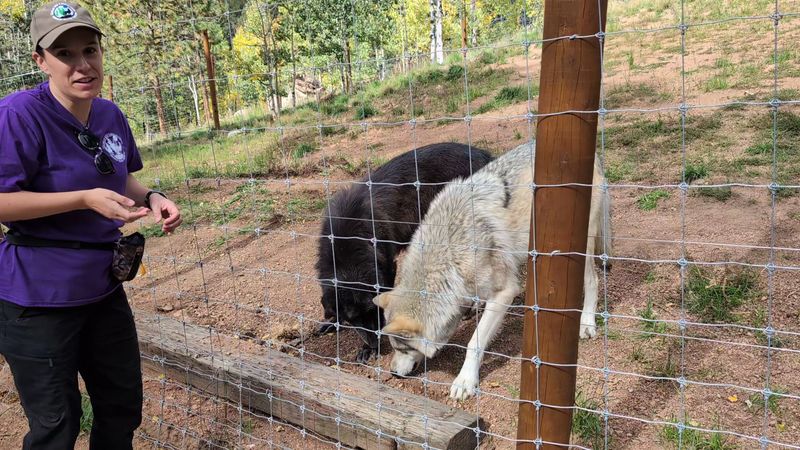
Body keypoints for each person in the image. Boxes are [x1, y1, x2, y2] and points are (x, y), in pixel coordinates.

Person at [0, 2, 181, 448]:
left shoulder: (108, 114)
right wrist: (82, 199)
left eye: (90, 50)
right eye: (65, 53)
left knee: (121, 409)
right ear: (41, 61)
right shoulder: (18, 115)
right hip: (38, 297)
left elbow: (121, 176)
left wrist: (153, 197)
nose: (83, 65)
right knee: (55, 427)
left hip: (103, 289)